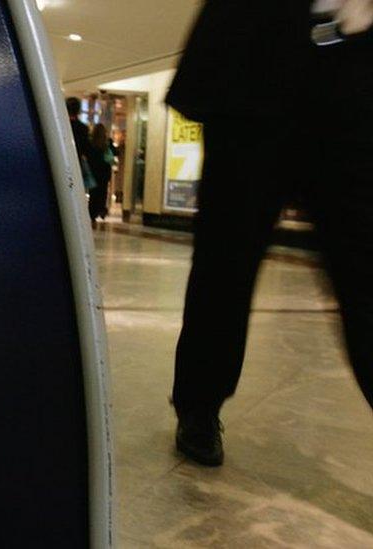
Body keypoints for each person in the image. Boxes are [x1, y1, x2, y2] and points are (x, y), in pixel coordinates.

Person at [167, 0, 373, 466]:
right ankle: (198, 405)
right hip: (254, 67)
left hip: (351, 72)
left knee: (365, 268)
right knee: (225, 263)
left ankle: (198, 405)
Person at [86, 124, 113, 226]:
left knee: (93, 193)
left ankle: (92, 214)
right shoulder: (107, 143)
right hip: (104, 173)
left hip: (93, 172)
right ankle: (101, 210)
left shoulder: (90, 143)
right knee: (103, 192)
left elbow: (88, 156)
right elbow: (113, 155)